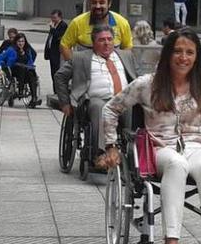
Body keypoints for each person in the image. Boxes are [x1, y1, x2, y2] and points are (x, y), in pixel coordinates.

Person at [100, 27, 201, 244]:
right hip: (160, 147)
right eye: (177, 51)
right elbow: (111, 109)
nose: (183, 57)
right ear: (167, 54)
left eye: (189, 52)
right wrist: (110, 145)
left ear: (197, 56)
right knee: (176, 164)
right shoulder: (147, 84)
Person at [55, 25, 139, 166]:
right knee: (99, 107)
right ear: (93, 43)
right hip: (95, 101)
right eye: (101, 40)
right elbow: (60, 77)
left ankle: (130, 151)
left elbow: (139, 77)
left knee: (134, 107)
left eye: (109, 39)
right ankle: (101, 154)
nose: (107, 43)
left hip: (123, 100)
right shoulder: (80, 58)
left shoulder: (126, 56)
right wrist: (65, 102)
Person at [59, 0, 133, 60]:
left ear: (109, 3)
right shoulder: (77, 23)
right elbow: (64, 45)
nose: (97, 6)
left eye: (101, 2)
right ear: (89, 4)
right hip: (85, 70)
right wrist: (74, 66)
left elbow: (127, 47)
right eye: (94, 2)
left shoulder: (122, 23)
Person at [0, 33, 42, 108]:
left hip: (26, 71)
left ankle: (34, 98)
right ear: (16, 42)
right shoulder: (11, 49)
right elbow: (0, 58)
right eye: (19, 41)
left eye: (23, 41)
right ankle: (20, 91)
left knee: (31, 72)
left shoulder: (27, 50)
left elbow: (31, 61)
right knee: (21, 68)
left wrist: (31, 67)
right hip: (14, 70)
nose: (21, 43)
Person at [44, 10, 68, 93]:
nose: (53, 19)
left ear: (60, 17)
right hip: (51, 52)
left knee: (57, 72)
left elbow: (59, 37)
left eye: (55, 18)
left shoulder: (63, 25)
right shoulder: (54, 25)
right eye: (52, 18)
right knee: (53, 72)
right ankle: (55, 90)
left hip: (57, 53)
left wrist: (53, 29)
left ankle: (58, 91)